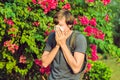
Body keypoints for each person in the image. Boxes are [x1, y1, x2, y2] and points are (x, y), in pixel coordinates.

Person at [41, 9, 87, 80]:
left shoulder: (78, 38)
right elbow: (44, 63)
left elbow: (76, 68)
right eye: (56, 25)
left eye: (60, 25)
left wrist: (63, 44)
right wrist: (57, 45)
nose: (57, 28)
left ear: (70, 25)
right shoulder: (52, 36)